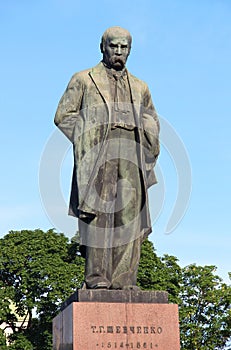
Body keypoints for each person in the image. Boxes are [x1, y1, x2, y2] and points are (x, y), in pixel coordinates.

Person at [54, 26, 160, 290]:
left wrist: (148, 130)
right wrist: (87, 135)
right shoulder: (84, 79)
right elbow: (63, 116)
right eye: (114, 46)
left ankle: (125, 280)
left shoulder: (140, 86)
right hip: (99, 150)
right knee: (99, 214)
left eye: (124, 47)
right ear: (102, 47)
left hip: (131, 150)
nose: (119, 52)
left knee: (128, 216)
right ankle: (97, 277)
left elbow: (151, 117)